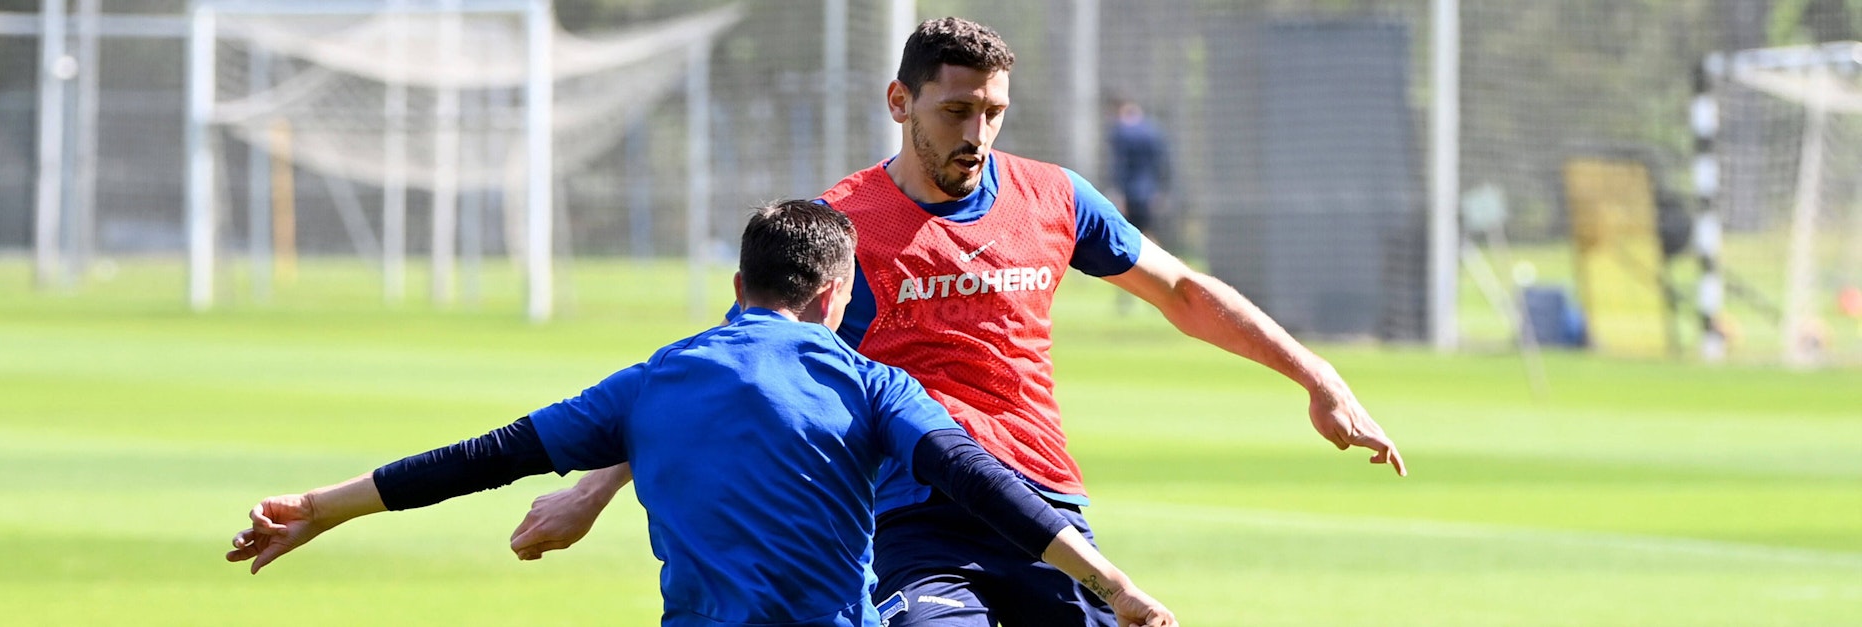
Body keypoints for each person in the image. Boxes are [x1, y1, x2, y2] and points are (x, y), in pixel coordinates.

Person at [510, 17, 1406, 626]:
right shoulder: (840, 224)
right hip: (913, 518)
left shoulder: (1053, 197)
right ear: (900, 104)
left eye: (992, 111)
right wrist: (591, 489)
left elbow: (1181, 291)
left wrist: (1317, 377)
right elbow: (733, 373)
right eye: (955, 110)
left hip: (1044, 506)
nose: (977, 131)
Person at [224, 200, 1176, 627]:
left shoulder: (650, 382)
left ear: (737, 285)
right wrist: (1116, 583)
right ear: (840, 292)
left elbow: (489, 455)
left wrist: (324, 506)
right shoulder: (868, 383)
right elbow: (985, 484)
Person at [1108, 99, 1169, 237]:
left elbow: (1120, 166)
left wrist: (1118, 193)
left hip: (1130, 194)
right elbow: (1163, 163)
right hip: (1149, 193)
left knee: (1129, 236)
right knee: (1148, 234)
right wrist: (1162, 190)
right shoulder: (1154, 130)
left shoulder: (1121, 132)